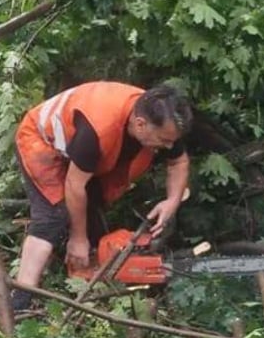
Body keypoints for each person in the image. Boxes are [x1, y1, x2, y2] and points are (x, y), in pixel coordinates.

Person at [11, 81, 192, 310]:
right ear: (140, 124)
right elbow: (75, 186)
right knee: (53, 216)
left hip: (85, 154)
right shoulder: (98, 130)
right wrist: (78, 239)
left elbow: (178, 161)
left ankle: (82, 270)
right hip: (41, 141)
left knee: (93, 208)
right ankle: (20, 299)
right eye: (164, 141)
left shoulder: (162, 120)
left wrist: (172, 201)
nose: (168, 146)